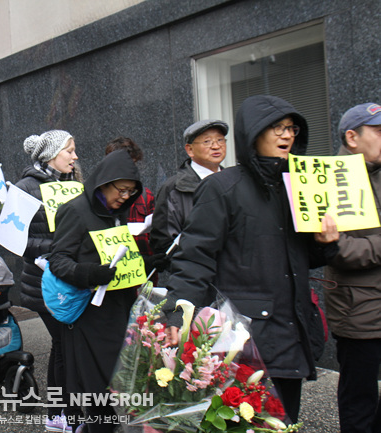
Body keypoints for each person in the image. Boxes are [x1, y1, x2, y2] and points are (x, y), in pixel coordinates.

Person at [161, 95, 339, 422]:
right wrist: (177, 315)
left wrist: (325, 243)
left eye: (291, 128)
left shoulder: (299, 186)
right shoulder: (222, 187)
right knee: (245, 423)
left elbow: (301, 258)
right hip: (245, 336)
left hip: (291, 328)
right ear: (253, 133)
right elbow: (194, 257)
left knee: (285, 422)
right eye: (276, 128)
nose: (287, 136)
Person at [49, 150, 142, 433]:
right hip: (90, 315)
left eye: (131, 192)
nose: (125, 197)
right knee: (97, 388)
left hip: (120, 310)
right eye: (121, 190)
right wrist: (90, 273)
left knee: (121, 382)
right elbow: (58, 260)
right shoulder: (76, 210)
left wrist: (147, 262)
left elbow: (120, 258)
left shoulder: (117, 213)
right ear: (104, 182)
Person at [15, 129, 82, 432]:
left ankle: (66, 411)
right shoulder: (25, 187)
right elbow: (14, 241)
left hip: (72, 281)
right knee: (62, 343)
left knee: (65, 345)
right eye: (69, 150)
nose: (75, 156)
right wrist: (54, 250)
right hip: (42, 284)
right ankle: (59, 414)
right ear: (52, 154)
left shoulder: (73, 184)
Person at [324, 102, 381, 433]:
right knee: (359, 400)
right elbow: (337, 250)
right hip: (358, 309)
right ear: (352, 137)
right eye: (378, 131)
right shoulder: (327, 179)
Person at [150, 119, 228, 265]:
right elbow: (163, 243)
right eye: (207, 142)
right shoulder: (174, 188)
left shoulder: (234, 181)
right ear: (190, 150)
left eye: (220, 140)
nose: (216, 146)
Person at [105, 137, 159, 280]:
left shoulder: (145, 195)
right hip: (112, 275)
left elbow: (155, 236)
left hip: (144, 274)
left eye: (134, 165)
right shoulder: (98, 197)